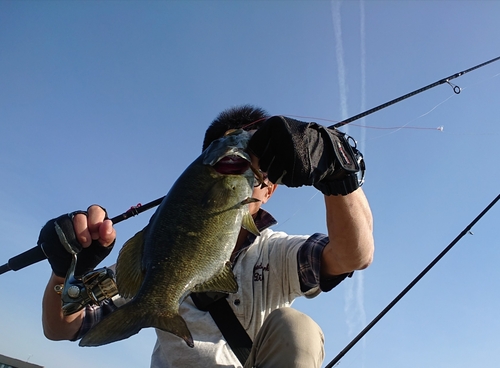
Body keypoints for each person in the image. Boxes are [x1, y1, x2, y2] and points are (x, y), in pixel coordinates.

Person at [40, 105, 374, 368]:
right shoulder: (160, 249)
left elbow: (352, 256)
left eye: (259, 162)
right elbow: (63, 328)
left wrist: (338, 170)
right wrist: (66, 270)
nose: (242, 160)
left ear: (270, 188)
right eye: (231, 148)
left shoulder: (276, 254)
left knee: (297, 329)